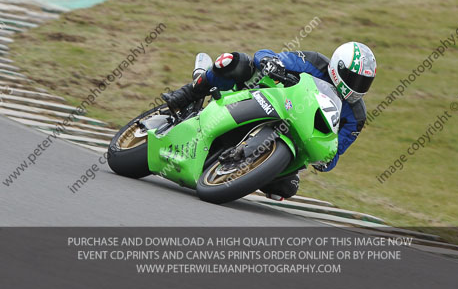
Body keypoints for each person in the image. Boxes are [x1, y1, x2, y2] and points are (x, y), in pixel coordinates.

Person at [162, 42, 377, 200]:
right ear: (337, 66)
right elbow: (269, 55)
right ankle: (187, 94)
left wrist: (326, 161)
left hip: (297, 139)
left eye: (364, 82)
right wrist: (270, 62)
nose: (357, 86)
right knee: (233, 61)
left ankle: (243, 170)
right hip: (266, 99)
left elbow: (336, 152)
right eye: (353, 78)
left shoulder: (356, 117)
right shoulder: (314, 62)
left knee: (287, 188)